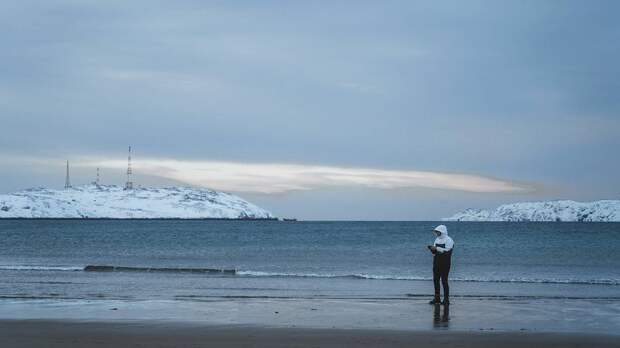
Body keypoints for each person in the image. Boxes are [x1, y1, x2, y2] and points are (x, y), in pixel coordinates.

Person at [427, 224, 454, 305]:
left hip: (445, 263)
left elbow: (447, 252)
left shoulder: (449, 240)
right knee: (435, 280)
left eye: (437, 232)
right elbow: (435, 252)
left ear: (442, 232)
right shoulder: (437, 240)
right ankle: (437, 298)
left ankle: (446, 300)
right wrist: (431, 249)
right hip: (436, 262)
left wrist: (437, 248)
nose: (436, 233)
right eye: (436, 232)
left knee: (444, 281)